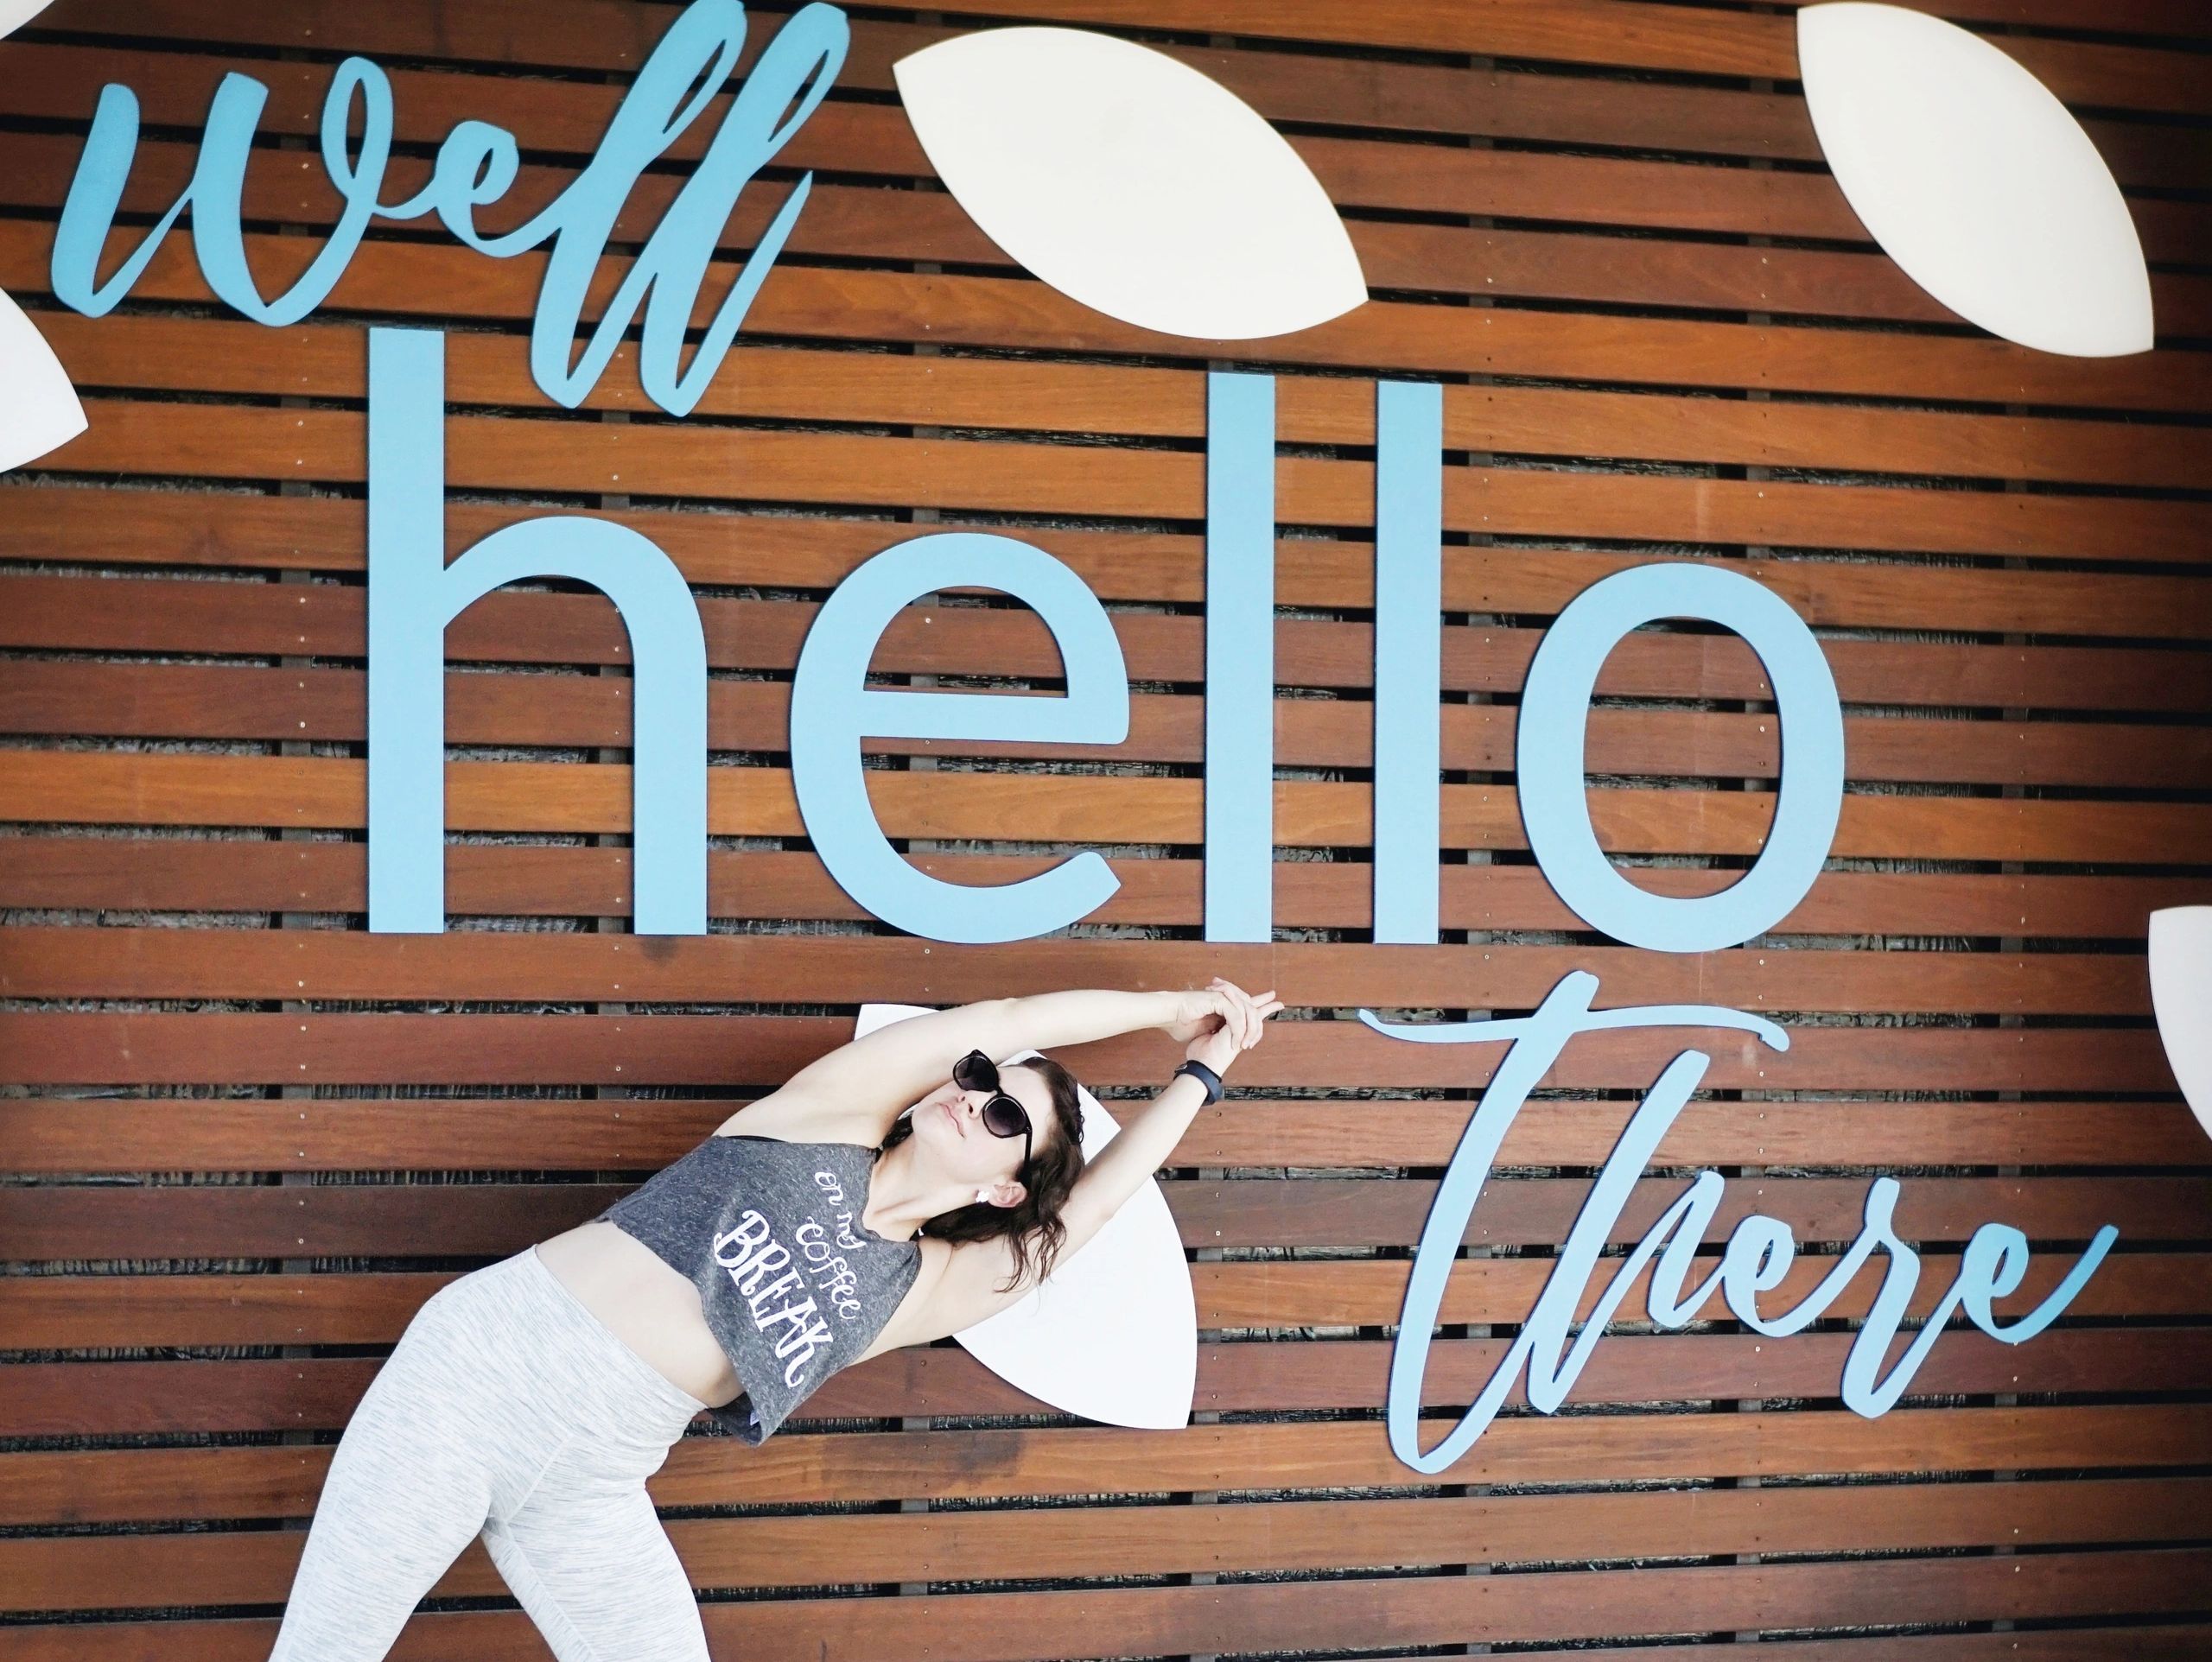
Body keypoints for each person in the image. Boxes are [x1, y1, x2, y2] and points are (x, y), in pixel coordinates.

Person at [264, 976, 1283, 1662]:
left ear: (1013, 1192)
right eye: (980, 1079)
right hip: (480, 1375)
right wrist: (1173, 1005)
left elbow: (1096, 1201)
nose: (975, 1099)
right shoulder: (830, 1116)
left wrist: (1199, 1075)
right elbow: (1012, 1014)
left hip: (596, 1475)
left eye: (1005, 1117)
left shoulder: (920, 1289)